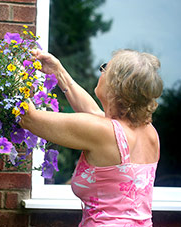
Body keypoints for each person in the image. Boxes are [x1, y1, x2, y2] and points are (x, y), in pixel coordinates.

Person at [20, 49, 163, 226]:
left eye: (105, 69)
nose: (101, 72)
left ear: (115, 84)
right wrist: (58, 71)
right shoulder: (149, 132)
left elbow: (28, 117)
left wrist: (11, 74)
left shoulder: (104, 132)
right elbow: (94, 113)